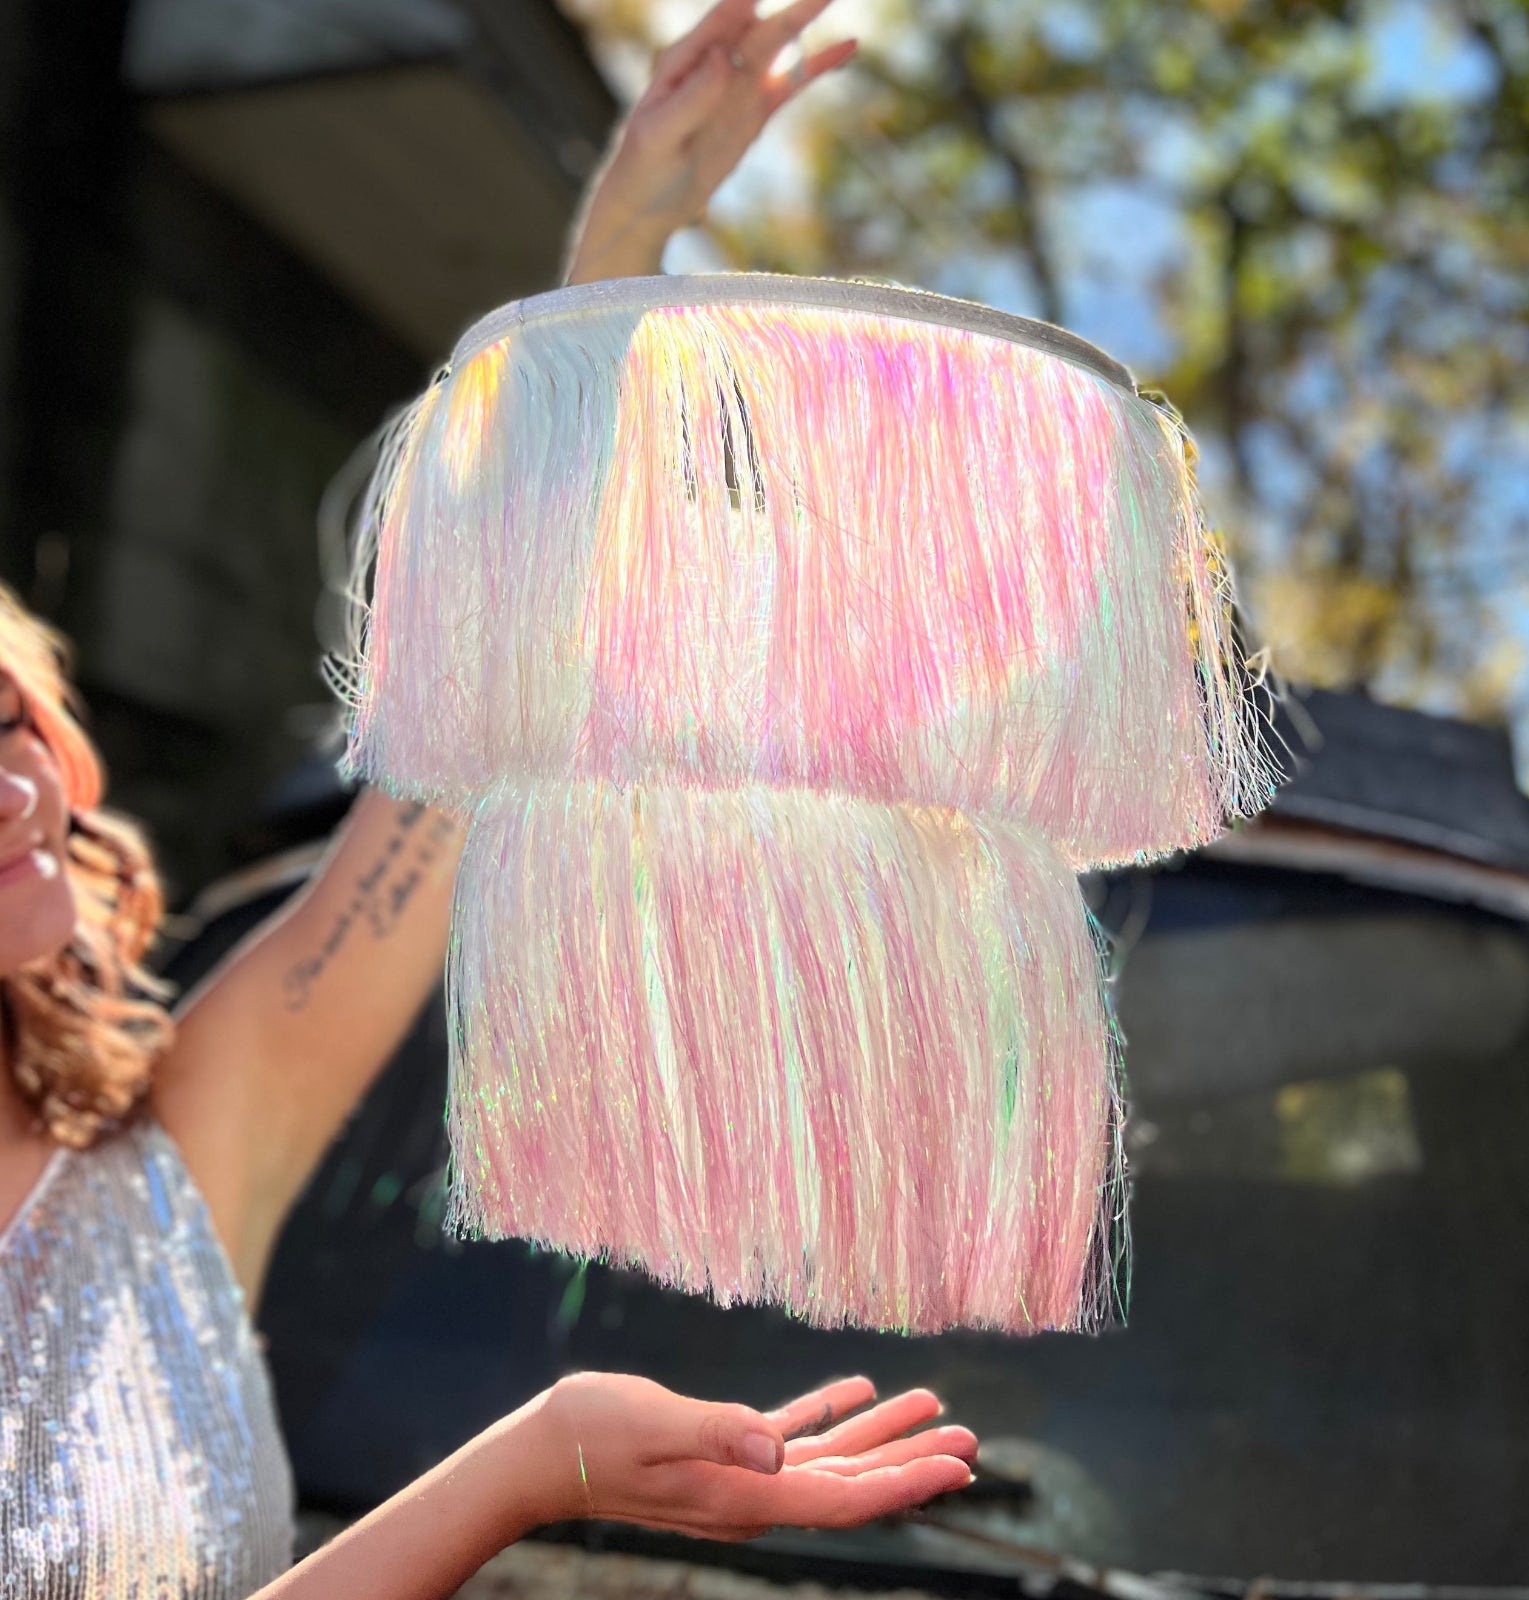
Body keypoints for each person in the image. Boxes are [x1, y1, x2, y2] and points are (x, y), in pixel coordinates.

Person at [0, 4, 978, 1596]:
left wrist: (626, 230)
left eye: (8, 716)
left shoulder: (176, 1154)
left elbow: (465, 722)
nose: (11, 777)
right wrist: (527, 1470)